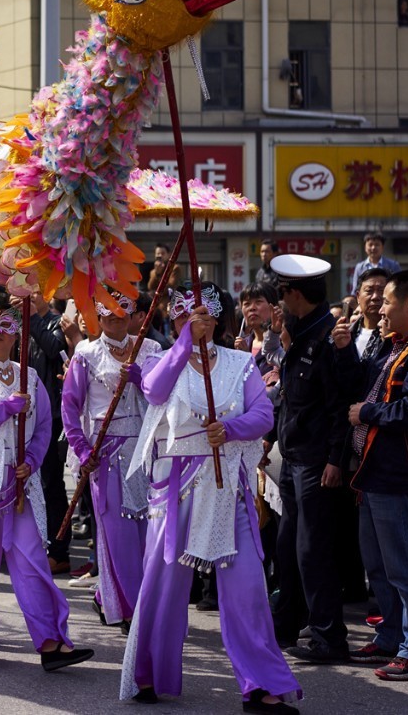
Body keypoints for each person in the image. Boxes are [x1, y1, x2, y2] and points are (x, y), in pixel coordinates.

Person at [121, 284, 299, 713]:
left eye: (198, 313)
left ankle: (260, 684)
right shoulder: (161, 360)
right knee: (163, 584)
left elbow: (263, 414)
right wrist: (185, 342)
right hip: (175, 485)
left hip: (226, 488)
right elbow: (153, 391)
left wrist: (231, 429)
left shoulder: (240, 362)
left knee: (247, 587)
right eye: (181, 315)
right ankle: (148, 670)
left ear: (216, 317)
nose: (190, 320)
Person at [0, 293, 93, 670]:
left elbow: (44, 425)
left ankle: (51, 641)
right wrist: (5, 409)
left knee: (33, 561)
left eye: (6, 325)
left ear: (18, 333)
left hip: (20, 485)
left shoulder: (28, 376)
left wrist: (31, 460)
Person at [342, 269, 408, 680]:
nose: (381, 308)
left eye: (387, 301)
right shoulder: (397, 344)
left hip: (399, 474)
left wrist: (368, 413)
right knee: (380, 567)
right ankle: (390, 637)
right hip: (375, 471)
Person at [263, 255, 356, 662]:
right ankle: (285, 627)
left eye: (282, 293)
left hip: (317, 462)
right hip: (293, 457)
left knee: (313, 551)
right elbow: (290, 400)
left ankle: (328, 638)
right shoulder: (298, 333)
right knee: (288, 549)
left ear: (294, 293)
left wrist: (336, 458)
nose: (279, 302)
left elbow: (340, 405)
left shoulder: (328, 337)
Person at [62, 291, 161, 632]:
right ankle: (131, 609)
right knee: (118, 533)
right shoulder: (86, 354)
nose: (116, 319)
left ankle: (115, 597)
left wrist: (141, 380)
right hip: (107, 453)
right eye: (109, 313)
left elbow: (164, 395)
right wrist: (82, 449)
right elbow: (70, 406)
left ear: (133, 315)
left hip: (147, 451)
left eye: (123, 312)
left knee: (148, 531)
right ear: (98, 317)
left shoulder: (150, 348)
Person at [28, 292, 72, 573]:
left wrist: (33, 317)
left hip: (52, 416)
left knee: (51, 484)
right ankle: (35, 545)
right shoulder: (21, 323)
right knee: (31, 483)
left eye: (34, 290)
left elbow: (55, 349)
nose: (29, 295)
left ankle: (59, 550)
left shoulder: (58, 322)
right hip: (27, 412)